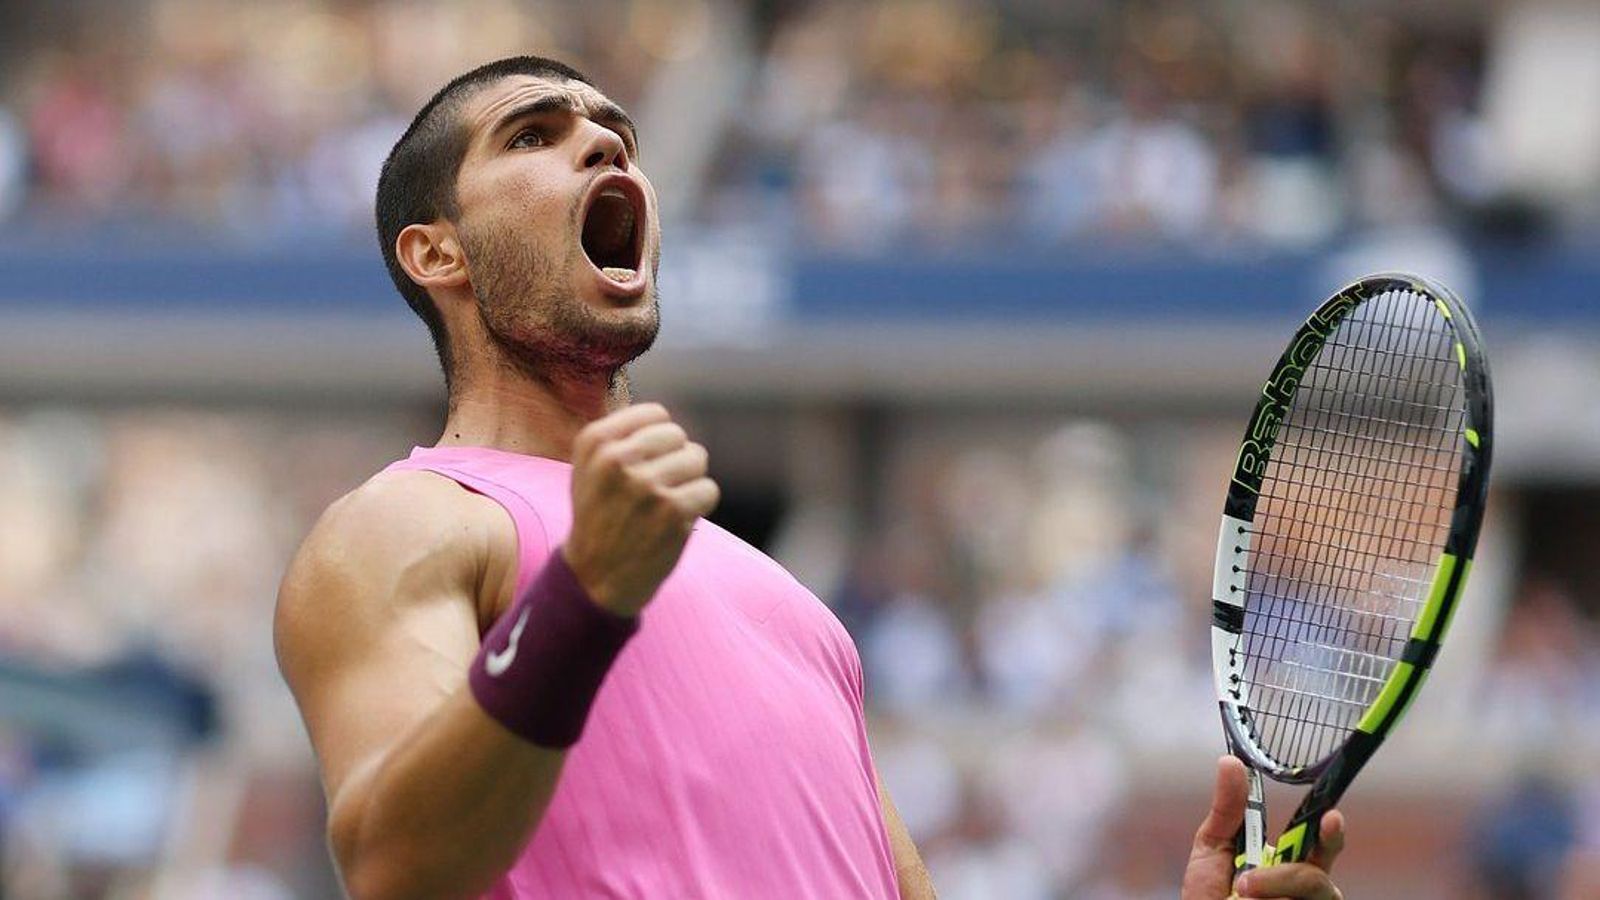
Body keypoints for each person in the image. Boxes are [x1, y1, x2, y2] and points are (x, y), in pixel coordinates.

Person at [273, 55, 1347, 900]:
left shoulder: (788, 607)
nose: (602, 142)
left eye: (615, 133)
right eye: (534, 135)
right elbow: (393, 864)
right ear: (437, 254)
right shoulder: (404, 526)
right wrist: (584, 603)